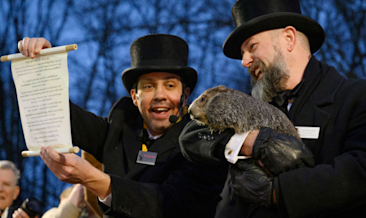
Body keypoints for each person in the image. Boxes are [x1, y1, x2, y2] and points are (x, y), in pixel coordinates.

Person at [179, 0, 366, 218]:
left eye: (252, 46)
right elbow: (190, 138)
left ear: (288, 38)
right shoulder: (252, 104)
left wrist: (274, 192)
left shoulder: (361, 98)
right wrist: (249, 143)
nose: (244, 61)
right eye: (243, 54)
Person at [18, 34, 230, 218]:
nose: (159, 95)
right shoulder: (120, 127)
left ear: (185, 95)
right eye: (148, 86)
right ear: (134, 97)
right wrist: (41, 69)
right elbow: (66, 117)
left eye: (170, 85)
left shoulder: (205, 143)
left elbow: (171, 204)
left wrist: (95, 180)